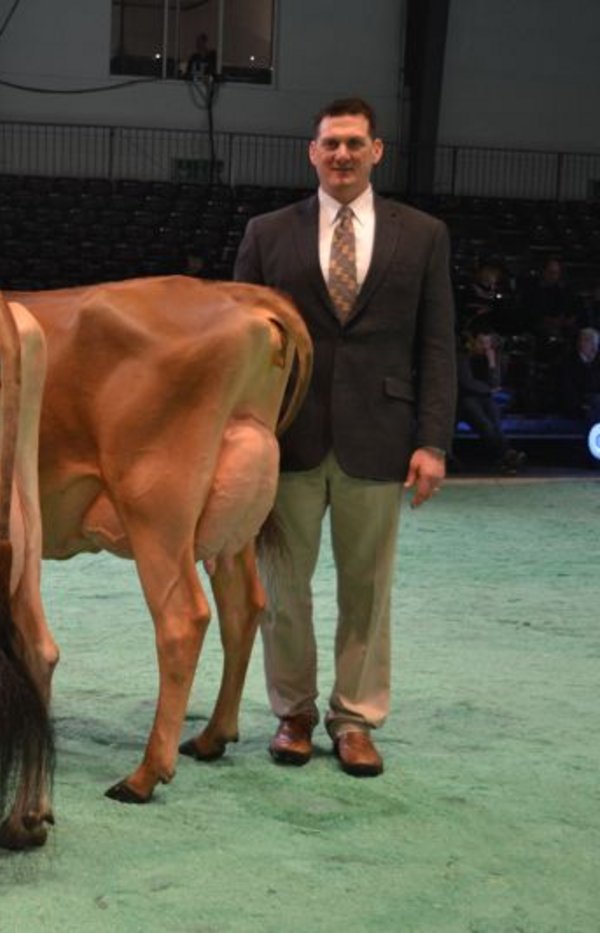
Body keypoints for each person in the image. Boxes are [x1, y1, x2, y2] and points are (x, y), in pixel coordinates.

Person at [234, 97, 455, 777]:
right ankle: (294, 713)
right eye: (330, 143)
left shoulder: (422, 235)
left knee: (368, 589)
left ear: (376, 151)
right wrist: (241, 438)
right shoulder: (267, 232)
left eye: (355, 143)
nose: (342, 155)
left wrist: (434, 441)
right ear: (312, 151)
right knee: (283, 587)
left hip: (380, 437)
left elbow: (437, 342)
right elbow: (239, 345)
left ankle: (355, 718)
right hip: (288, 437)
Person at [456, 323, 526, 475]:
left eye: (487, 343)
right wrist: (488, 389)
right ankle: (507, 455)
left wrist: (492, 363)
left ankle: (506, 456)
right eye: (481, 343)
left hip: (484, 398)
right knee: (485, 424)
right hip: (466, 399)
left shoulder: (491, 358)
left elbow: (496, 383)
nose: (484, 347)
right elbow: (467, 383)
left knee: (495, 424)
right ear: (473, 342)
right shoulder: (463, 358)